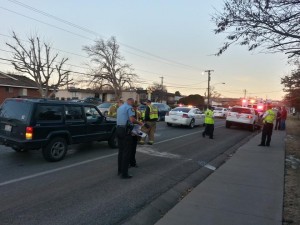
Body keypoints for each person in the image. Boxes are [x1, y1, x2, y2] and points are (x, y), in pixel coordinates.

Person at [116, 98, 143, 179]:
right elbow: (131, 119)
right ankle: (124, 174)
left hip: (118, 130)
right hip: (126, 131)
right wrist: (140, 123)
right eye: (133, 102)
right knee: (126, 152)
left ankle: (120, 171)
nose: (133, 104)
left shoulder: (120, 107)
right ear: (130, 102)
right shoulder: (129, 107)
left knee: (121, 151)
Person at [129, 104, 142, 168]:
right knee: (129, 149)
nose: (136, 108)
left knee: (133, 149)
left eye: (136, 107)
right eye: (135, 107)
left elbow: (138, 120)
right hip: (130, 132)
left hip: (135, 132)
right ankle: (129, 163)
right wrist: (139, 123)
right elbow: (132, 121)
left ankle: (133, 163)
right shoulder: (130, 112)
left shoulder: (137, 112)